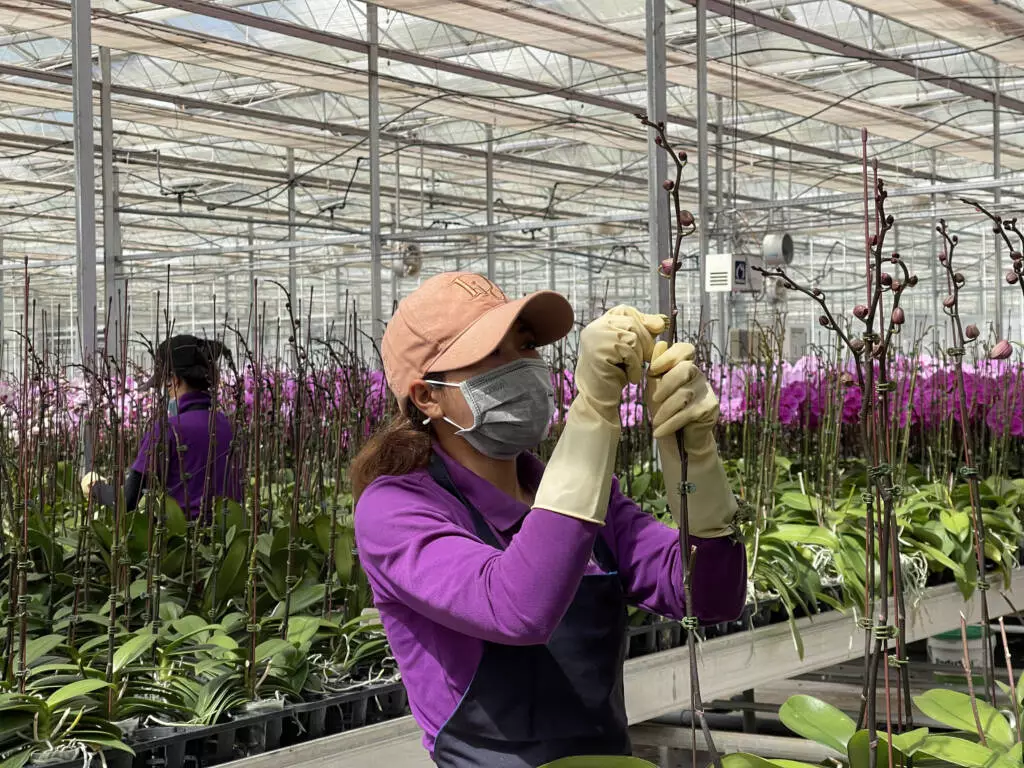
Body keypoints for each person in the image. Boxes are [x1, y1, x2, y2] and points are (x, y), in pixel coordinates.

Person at [351, 272, 746, 768]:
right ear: (427, 396)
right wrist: (595, 413)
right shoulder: (397, 509)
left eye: (527, 346)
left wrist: (696, 461)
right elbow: (517, 607)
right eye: (492, 355)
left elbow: (710, 597)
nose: (523, 367)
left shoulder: (568, 494)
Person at [82, 334, 242, 517]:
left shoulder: (167, 430)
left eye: (165, 386)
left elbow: (125, 503)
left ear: (174, 380)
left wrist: (95, 487)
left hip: (182, 540)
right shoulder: (227, 426)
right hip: (229, 536)